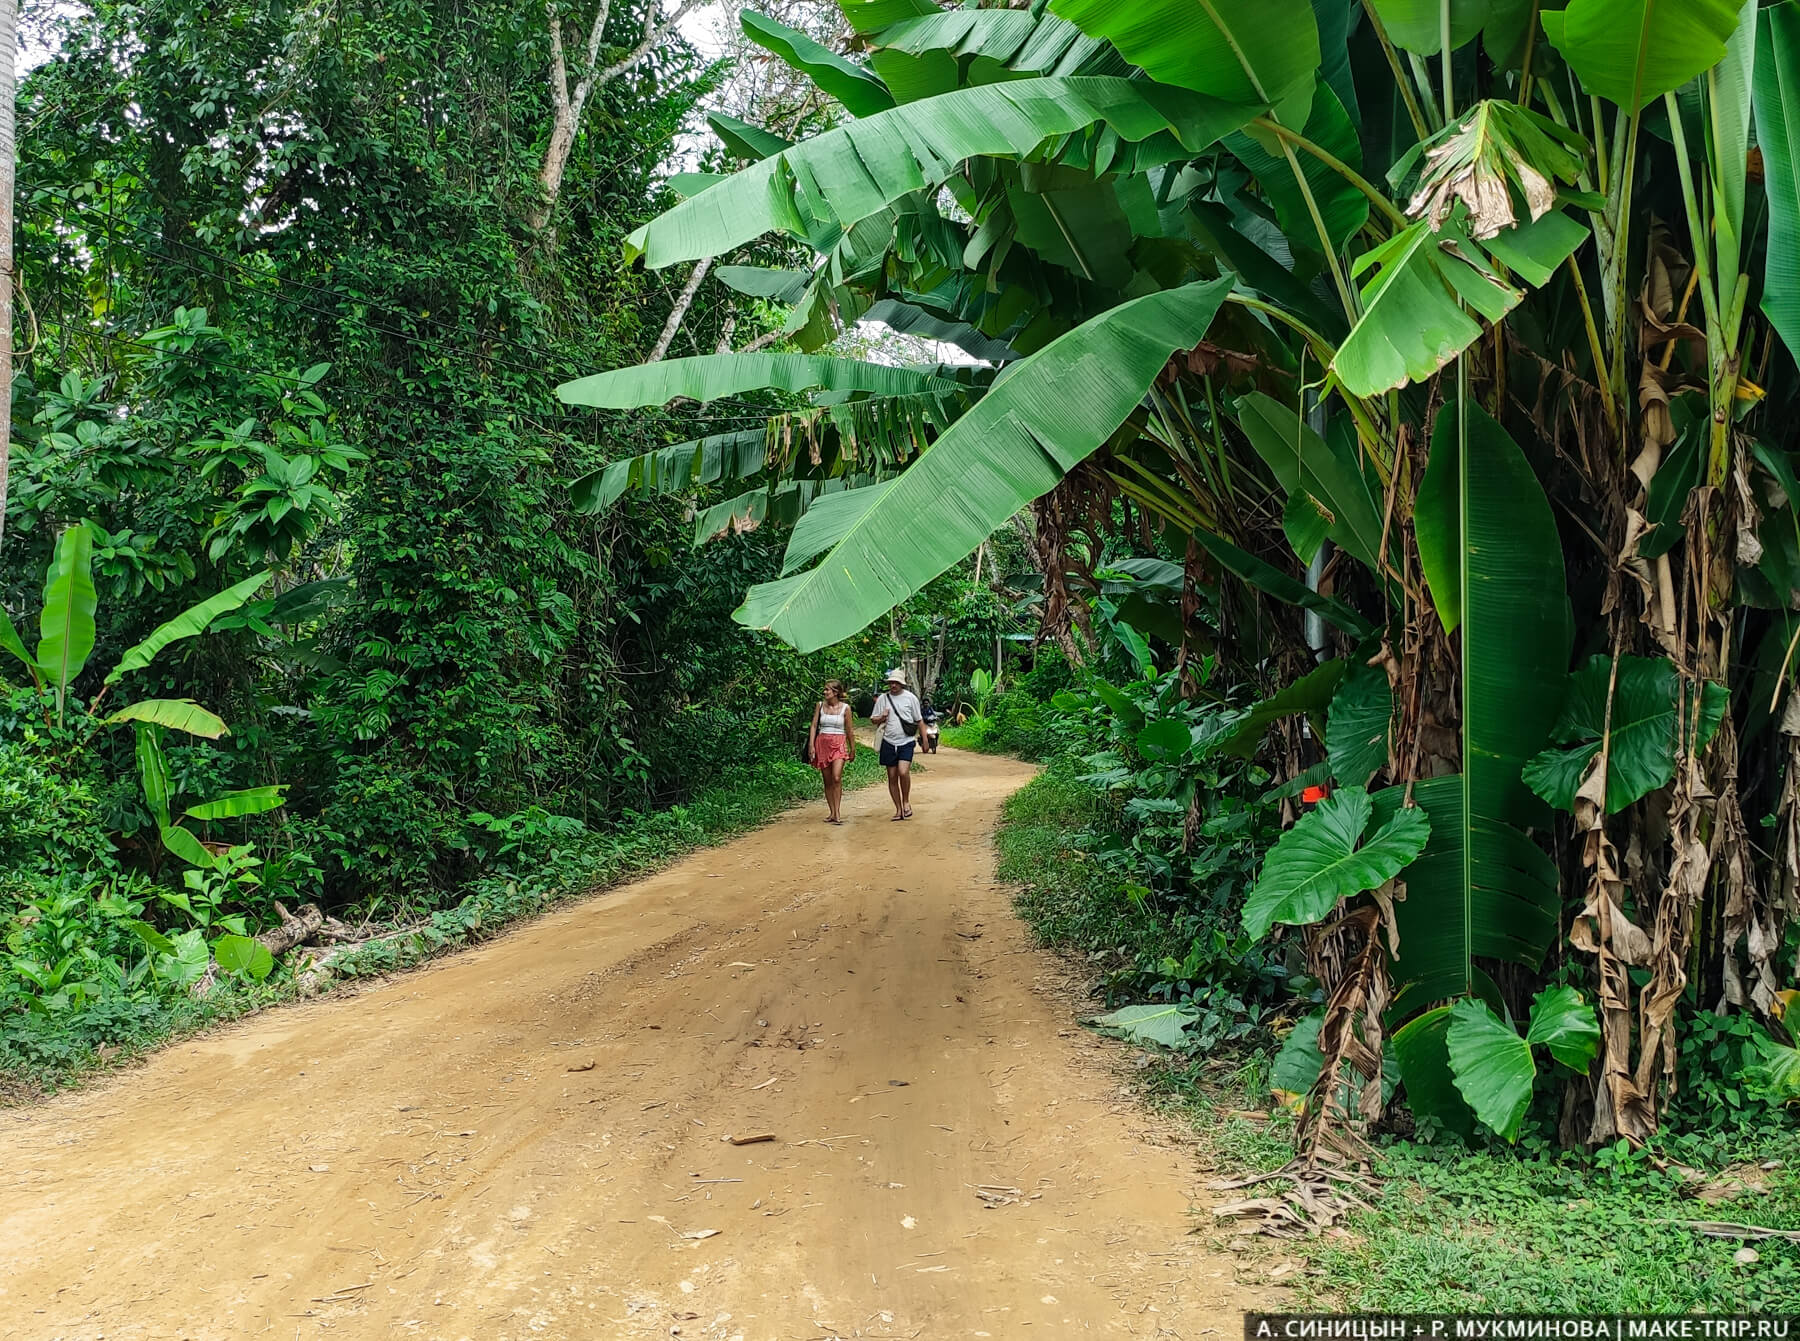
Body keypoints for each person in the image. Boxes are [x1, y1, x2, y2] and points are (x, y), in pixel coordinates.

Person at [869, 668, 924, 821]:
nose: (893, 685)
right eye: (891, 683)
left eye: (896, 683)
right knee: (892, 776)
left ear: (902, 684)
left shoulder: (910, 698)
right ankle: (899, 809)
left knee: (903, 772)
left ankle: (906, 801)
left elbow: (919, 720)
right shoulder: (883, 699)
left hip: (906, 741)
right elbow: (873, 719)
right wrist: (882, 717)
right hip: (888, 741)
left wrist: (924, 740)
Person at [809, 680, 855, 825]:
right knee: (827, 780)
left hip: (839, 743)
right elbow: (814, 725)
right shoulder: (820, 706)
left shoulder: (845, 708)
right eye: (824, 690)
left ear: (835, 692)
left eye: (827, 690)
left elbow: (849, 730)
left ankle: (838, 811)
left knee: (836, 777)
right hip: (823, 742)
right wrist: (811, 745)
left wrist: (852, 748)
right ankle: (832, 812)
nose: (825, 692)